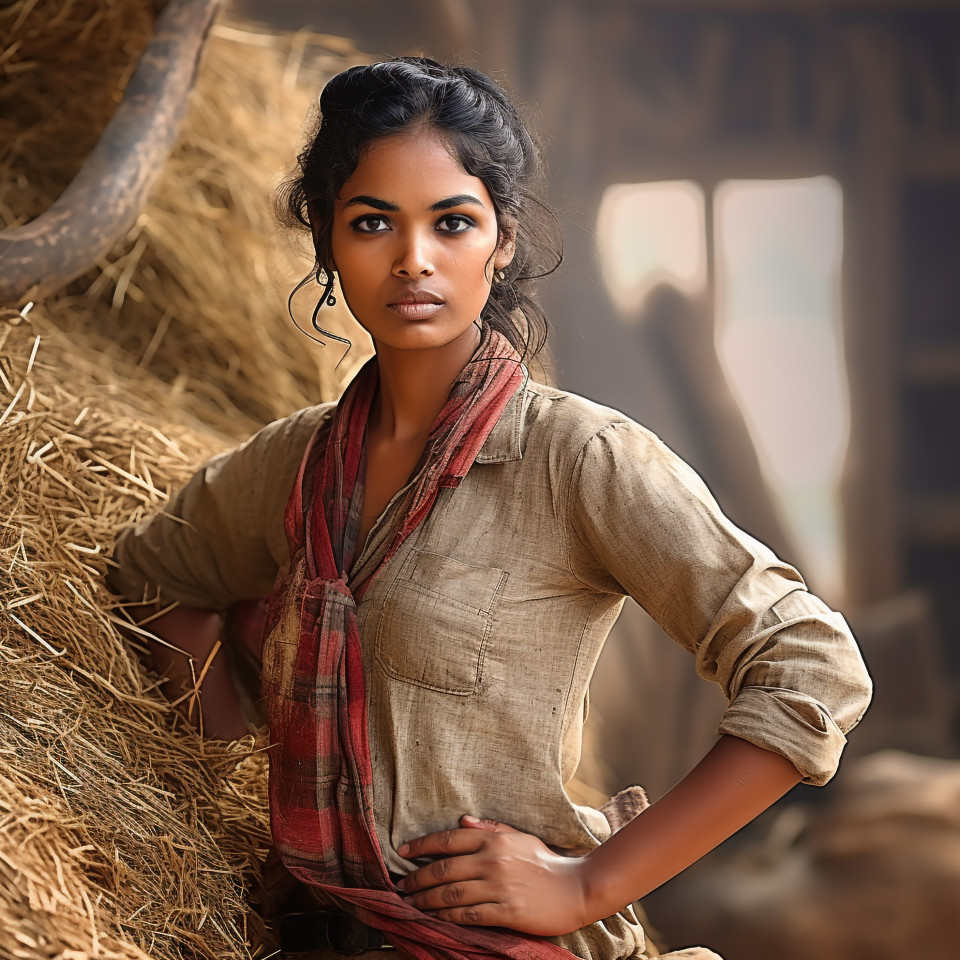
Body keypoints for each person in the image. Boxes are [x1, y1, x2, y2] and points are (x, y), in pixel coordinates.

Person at [107, 58, 872, 960]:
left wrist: (588, 883)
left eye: (453, 222)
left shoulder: (574, 457)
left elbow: (811, 665)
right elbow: (155, 576)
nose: (413, 260)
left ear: (501, 240)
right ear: (325, 240)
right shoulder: (299, 462)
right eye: (371, 223)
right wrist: (234, 772)